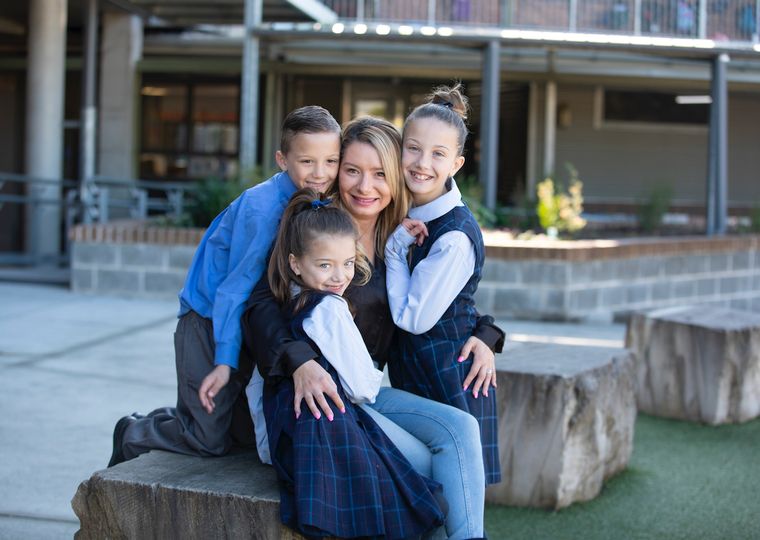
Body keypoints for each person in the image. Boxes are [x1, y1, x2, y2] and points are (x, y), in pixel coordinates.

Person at [243, 116, 504, 539]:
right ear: (338, 172)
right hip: (329, 393)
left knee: (461, 430)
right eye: (352, 171)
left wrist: (486, 334)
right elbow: (260, 304)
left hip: (369, 386)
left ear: (396, 174)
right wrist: (298, 361)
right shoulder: (318, 227)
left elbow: (444, 294)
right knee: (433, 469)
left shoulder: (398, 234)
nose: (366, 187)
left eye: (380, 173)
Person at [107, 105, 341, 466]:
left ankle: (185, 415)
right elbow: (234, 290)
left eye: (331, 161)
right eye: (307, 161)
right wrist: (225, 360)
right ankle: (133, 432)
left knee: (241, 435)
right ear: (282, 159)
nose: (320, 173)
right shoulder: (263, 210)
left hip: (244, 321)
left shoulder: (315, 199)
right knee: (207, 439)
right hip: (207, 319)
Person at [256, 187, 445, 538]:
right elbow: (362, 387)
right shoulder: (330, 308)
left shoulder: (291, 302)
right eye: (325, 265)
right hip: (332, 429)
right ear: (295, 263)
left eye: (346, 264)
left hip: (293, 435)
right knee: (412, 488)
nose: (339, 276)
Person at [384, 84, 501, 486]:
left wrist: (394, 252)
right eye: (413, 148)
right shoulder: (398, 207)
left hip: (449, 380)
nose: (422, 163)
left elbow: (413, 318)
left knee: (454, 499)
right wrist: (489, 331)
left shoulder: (452, 237)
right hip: (418, 375)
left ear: (457, 163)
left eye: (438, 154)